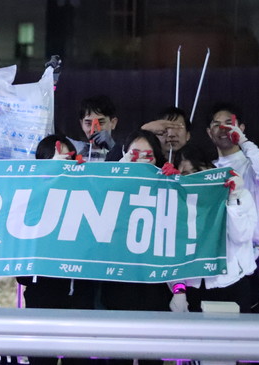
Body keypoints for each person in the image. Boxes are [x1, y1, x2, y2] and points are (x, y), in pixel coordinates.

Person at [17, 135, 96, 365]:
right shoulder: (29, 192)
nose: (65, 164)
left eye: (69, 158)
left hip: (79, 291)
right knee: (41, 358)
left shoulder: (89, 190)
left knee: (79, 359)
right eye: (57, 160)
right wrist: (50, 176)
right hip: (42, 291)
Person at [101, 129, 172, 365]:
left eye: (147, 155)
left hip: (154, 284)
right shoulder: (110, 187)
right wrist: (120, 171)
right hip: (118, 281)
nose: (141, 160)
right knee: (117, 354)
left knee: (151, 355)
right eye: (134, 154)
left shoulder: (168, 188)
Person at [168, 144, 259, 314]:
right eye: (186, 174)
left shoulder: (241, 195)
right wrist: (178, 289)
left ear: (211, 168)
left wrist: (232, 198)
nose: (194, 178)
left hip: (232, 282)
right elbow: (172, 253)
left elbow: (241, 236)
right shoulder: (176, 202)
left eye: (198, 171)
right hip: (193, 288)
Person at [205, 103, 259, 313]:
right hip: (213, 259)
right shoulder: (207, 169)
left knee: (249, 322)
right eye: (217, 124)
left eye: (229, 123)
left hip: (245, 258)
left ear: (241, 128)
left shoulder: (250, 165)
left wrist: (243, 141)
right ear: (209, 132)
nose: (223, 129)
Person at [70, 95, 120, 162]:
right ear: (82, 124)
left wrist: (113, 148)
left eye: (101, 123)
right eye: (88, 123)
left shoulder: (127, 152)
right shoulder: (73, 149)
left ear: (113, 123)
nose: (95, 129)